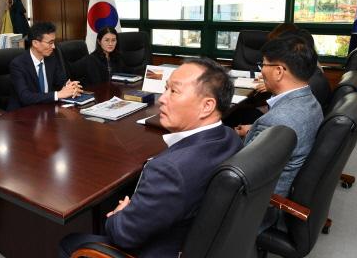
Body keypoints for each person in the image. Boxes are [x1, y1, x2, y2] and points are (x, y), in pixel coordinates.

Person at [59, 58, 243, 257]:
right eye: (166, 89)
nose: (162, 98)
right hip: (201, 238)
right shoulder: (229, 137)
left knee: (70, 242)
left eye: (174, 91)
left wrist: (118, 215)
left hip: (162, 250)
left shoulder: (170, 171)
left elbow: (123, 235)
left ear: (207, 106)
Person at [238, 35, 323, 199]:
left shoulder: (277, 121)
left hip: (260, 202)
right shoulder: (310, 100)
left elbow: (242, 173)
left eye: (263, 64)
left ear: (278, 71)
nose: (261, 71)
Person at [8, 21, 82, 110]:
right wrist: (58, 94)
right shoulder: (18, 64)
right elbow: (25, 97)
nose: (54, 47)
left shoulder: (52, 58)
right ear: (35, 43)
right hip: (23, 113)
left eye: (54, 42)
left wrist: (69, 87)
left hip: (47, 108)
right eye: (50, 43)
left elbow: (59, 83)